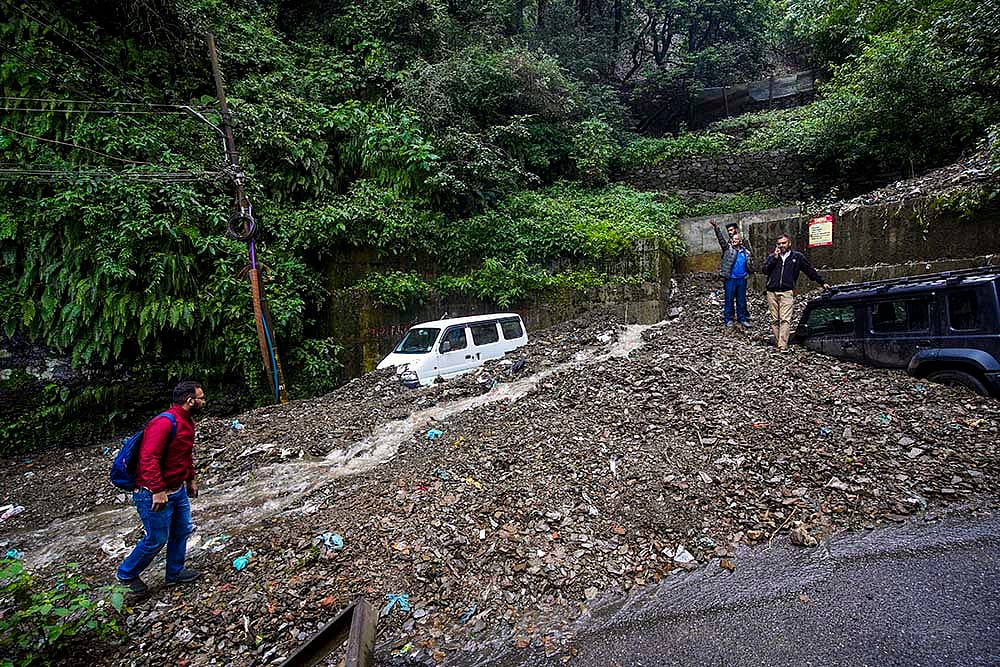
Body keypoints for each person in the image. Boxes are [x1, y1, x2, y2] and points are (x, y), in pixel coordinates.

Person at [116, 381, 205, 596]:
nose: (204, 401)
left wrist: (190, 479)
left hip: (177, 489)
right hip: (152, 493)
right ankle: (126, 574)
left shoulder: (187, 421)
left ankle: (174, 572)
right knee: (156, 538)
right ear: (189, 401)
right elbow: (148, 458)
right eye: (201, 398)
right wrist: (157, 490)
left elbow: (184, 454)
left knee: (182, 529)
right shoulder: (164, 423)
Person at [761, 234, 831, 352]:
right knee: (774, 320)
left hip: (786, 292)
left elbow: (809, 271)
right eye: (779, 244)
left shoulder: (797, 257)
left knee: (785, 319)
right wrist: (775, 258)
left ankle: (782, 346)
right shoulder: (772, 257)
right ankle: (779, 342)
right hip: (772, 292)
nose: (781, 245)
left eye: (784, 243)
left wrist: (822, 282)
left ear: (789, 243)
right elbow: (765, 270)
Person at [710, 220, 753, 330]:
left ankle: (742, 319)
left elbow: (750, 264)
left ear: (740, 241)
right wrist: (716, 227)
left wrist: (750, 272)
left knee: (741, 300)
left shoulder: (746, 252)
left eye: (736, 240)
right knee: (729, 300)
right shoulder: (728, 249)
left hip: (741, 279)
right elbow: (721, 240)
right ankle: (728, 319)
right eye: (733, 240)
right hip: (730, 279)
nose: (734, 241)